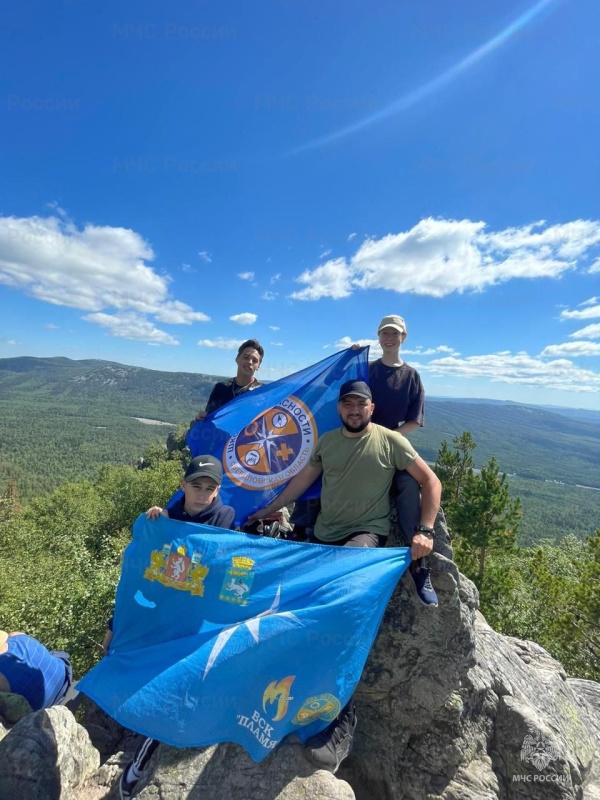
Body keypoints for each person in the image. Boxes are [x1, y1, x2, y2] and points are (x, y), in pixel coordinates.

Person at [247, 379, 441, 773]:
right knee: (286, 614)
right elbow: (300, 483)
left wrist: (426, 530)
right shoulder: (329, 442)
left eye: (361, 404)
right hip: (322, 539)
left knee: (337, 615)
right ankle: (286, 701)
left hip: (363, 538)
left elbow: (430, 481)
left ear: (372, 409)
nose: (354, 410)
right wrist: (264, 508)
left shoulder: (391, 441)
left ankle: (339, 722)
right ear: (340, 409)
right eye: (348, 404)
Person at [114, 455, 235, 799]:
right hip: (164, 614)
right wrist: (161, 524)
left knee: (178, 683)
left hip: (198, 619)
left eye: (209, 488)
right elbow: (138, 570)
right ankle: (139, 754)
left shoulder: (223, 516)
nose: (201, 493)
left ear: (217, 492)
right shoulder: (167, 515)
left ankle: (139, 764)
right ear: (183, 486)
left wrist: (171, 527)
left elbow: (214, 552)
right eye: (195, 486)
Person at [369, 314, 438, 606]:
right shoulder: (366, 370)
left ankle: (418, 563)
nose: (389, 338)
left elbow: (415, 421)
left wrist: (390, 437)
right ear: (379, 336)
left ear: (403, 338)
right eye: (385, 332)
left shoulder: (411, 376)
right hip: (362, 442)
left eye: (394, 333)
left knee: (409, 484)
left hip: (394, 445)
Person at [0, 630, 72, 713]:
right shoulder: (18, 636)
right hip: (65, 674)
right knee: (46, 655)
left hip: (50, 704)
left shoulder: (2, 676)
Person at [195, 339, 264, 420]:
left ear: (258, 366)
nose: (250, 362)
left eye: (255, 360)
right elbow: (210, 419)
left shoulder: (263, 393)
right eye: (246, 357)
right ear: (237, 359)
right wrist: (201, 418)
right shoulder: (220, 388)